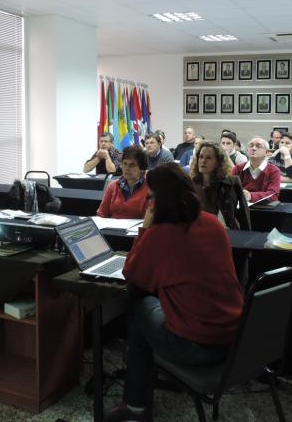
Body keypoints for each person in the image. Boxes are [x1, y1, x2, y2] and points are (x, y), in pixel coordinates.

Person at [105, 163, 243, 422]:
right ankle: (151, 378)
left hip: (198, 345)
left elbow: (132, 273)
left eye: (151, 196)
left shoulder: (162, 233)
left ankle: (136, 406)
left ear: (163, 199)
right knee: (151, 303)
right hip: (235, 338)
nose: (147, 200)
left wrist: (145, 227)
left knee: (138, 307)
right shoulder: (212, 223)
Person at [191, 141, 250, 230]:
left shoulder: (228, 183)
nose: (203, 161)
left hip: (222, 231)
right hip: (195, 230)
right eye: (201, 157)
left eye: (209, 158)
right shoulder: (191, 183)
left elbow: (236, 216)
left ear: (218, 162)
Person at [97, 145, 149, 219]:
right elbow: (101, 214)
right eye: (125, 164)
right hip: (112, 228)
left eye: (132, 165)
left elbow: (146, 221)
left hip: (136, 230)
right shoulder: (113, 186)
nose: (127, 168)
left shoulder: (149, 189)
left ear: (142, 169)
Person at [231, 136, 281, 203]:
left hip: (264, 209)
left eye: (258, 146)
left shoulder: (274, 170)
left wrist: (250, 196)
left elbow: (273, 194)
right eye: (251, 146)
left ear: (266, 152)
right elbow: (230, 190)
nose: (253, 148)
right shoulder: (238, 168)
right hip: (240, 208)